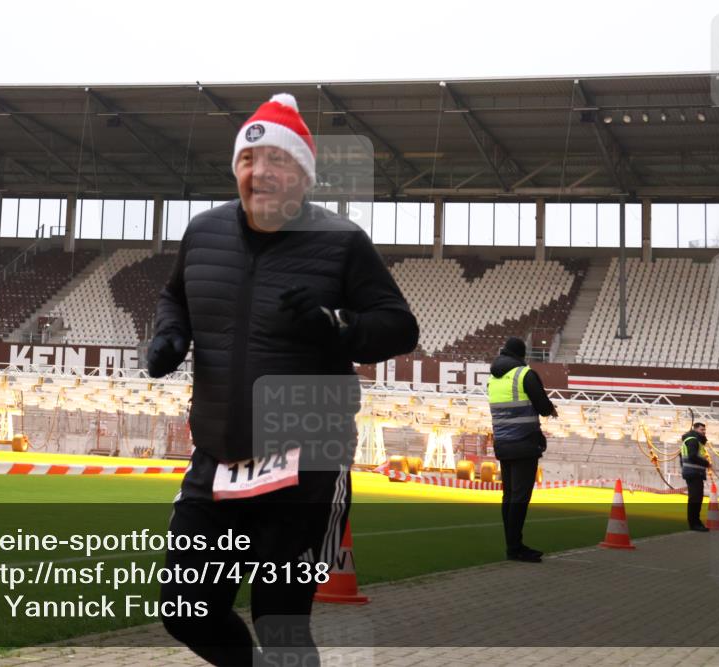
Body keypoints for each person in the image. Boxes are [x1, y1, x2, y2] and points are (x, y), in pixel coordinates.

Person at [147, 92, 419, 666]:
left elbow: (398, 326)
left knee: (282, 623)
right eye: (249, 160)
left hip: (303, 466)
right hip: (218, 461)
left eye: (277, 160)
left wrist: (336, 326)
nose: (260, 172)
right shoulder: (203, 233)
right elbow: (175, 295)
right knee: (184, 609)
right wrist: (170, 334)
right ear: (236, 170)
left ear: (303, 176)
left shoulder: (341, 243)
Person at [486, 337, 558, 563]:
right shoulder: (524, 375)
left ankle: (512, 545)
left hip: (503, 445)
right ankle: (514, 548)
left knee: (508, 497)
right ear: (521, 355)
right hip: (524, 444)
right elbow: (544, 407)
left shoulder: (494, 379)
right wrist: (551, 410)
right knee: (519, 498)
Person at [680, 422, 711, 531]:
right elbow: (693, 456)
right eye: (702, 429)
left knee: (696, 498)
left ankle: (695, 522)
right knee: (695, 499)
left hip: (693, 472)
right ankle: (694, 523)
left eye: (704, 430)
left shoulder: (691, 440)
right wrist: (706, 463)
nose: (704, 432)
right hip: (694, 473)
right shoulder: (693, 440)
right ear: (695, 429)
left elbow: (682, 457)